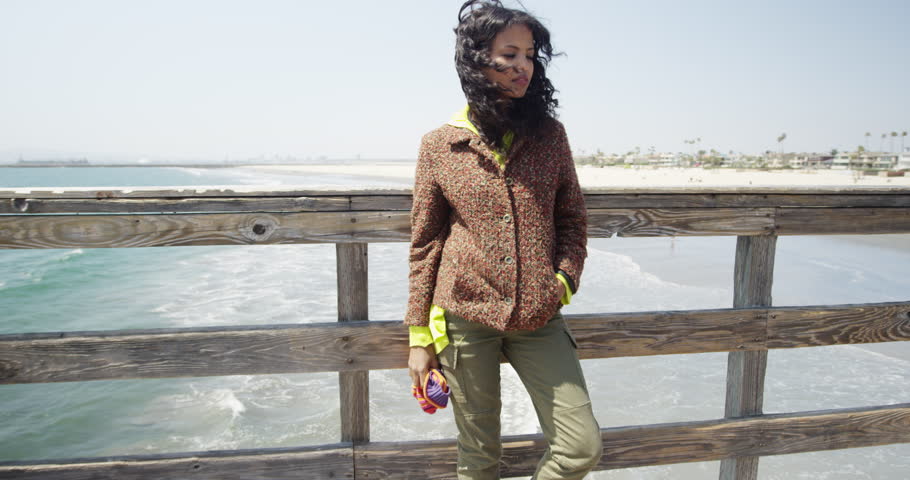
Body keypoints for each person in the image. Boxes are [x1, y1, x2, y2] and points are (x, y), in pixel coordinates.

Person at [405, 1, 602, 478]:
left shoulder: (550, 136)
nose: (523, 67)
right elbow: (426, 242)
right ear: (475, 60)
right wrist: (418, 338)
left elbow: (573, 221)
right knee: (478, 457)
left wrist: (562, 281)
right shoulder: (440, 145)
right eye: (509, 54)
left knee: (581, 448)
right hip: (465, 317)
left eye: (530, 55)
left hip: (539, 314)